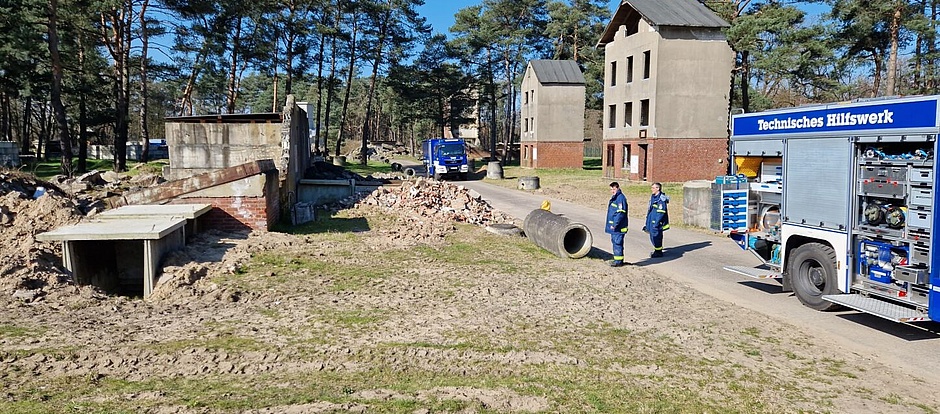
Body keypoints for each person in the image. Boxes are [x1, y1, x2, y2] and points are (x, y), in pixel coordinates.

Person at [643, 182, 670, 257]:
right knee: (652, 236)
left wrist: (656, 223)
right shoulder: (653, 197)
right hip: (651, 220)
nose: (651, 189)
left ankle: (658, 252)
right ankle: (657, 250)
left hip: (656, 222)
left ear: (658, 188)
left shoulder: (661, 199)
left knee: (656, 237)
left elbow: (661, 212)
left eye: (653, 188)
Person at [605, 182, 629, 267]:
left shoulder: (620, 198)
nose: (612, 191)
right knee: (615, 243)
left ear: (618, 188)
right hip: (615, 227)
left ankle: (618, 262)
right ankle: (617, 260)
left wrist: (615, 224)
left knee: (617, 243)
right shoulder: (616, 197)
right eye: (611, 189)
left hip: (618, 227)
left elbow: (620, 213)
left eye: (614, 189)